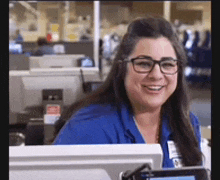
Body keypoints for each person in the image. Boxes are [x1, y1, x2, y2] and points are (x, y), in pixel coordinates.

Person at [53, 16, 203, 168]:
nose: (156, 75)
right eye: (144, 64)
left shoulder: (186, 124)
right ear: (122, 68)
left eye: (167, 64)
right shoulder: (88, 127)